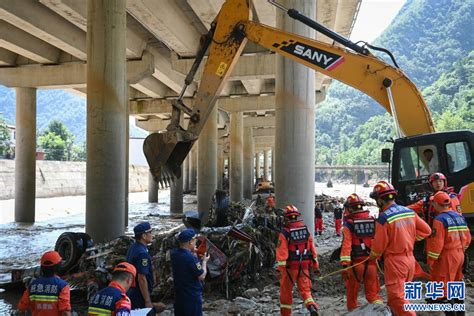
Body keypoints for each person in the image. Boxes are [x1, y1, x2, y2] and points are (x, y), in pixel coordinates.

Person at [369, 181, 431, 316]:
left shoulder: (384, 218)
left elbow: (378, 248)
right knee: (397, 297)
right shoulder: (408, 211)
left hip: (395, 262)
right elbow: (427, 230)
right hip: (410, 261)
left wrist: (372, 257)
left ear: (380, 199)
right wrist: (408, 238)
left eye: (376, 199)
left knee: (398, 298)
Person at [426, 191, 471, 307]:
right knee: (456, 284)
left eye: (433, 203)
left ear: (436, 204)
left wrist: (431, 260)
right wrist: (461, 250)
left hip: (447, 257)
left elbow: (437, 244)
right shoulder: (459, 217)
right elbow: (468, 238)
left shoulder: (439, 220)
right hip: (460, 254)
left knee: (444, 287)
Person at [340, 194, 383, 311]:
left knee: (352, 294)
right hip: (372, 264)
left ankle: (352, 312)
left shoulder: (349, 224)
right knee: (373, 294)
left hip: (355, 265)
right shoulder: (373, 221)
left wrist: (344, 265)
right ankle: (380, 311)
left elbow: (346, 245)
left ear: (349, 208)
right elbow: (378, 241)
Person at [276, 205, 319, 316]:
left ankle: (286, 314)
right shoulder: (305, 230)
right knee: (305, 290)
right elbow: (312, 248)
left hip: (290, 268)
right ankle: (311, 307)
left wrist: (280, 270)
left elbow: (282, 254)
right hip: (304, 266)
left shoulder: (285, 233)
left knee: (286, 293)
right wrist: (315, 265)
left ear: (286, 218)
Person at [17, 251, 71, 316]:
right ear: (58, 267)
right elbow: (65, 312)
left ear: (42, 268)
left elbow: (21, 309)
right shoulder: (63, 286)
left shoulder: (32, 286)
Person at [170, 228, 210, 316]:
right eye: (195, 240)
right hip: (191, 296)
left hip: (179, 296)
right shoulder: (191, 258)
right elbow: (201, 276)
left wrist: (193, 252)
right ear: (190, 242)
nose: (196, 242)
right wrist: (204, 262)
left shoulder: (174, 254)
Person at [126, 222, 154, 309]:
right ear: (144, 236)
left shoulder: (133, 247)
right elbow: (141, 278)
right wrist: (147, 300)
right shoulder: (142, 253)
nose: (152, 235)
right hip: (138, 293)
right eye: (150, 232)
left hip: (131, 289)